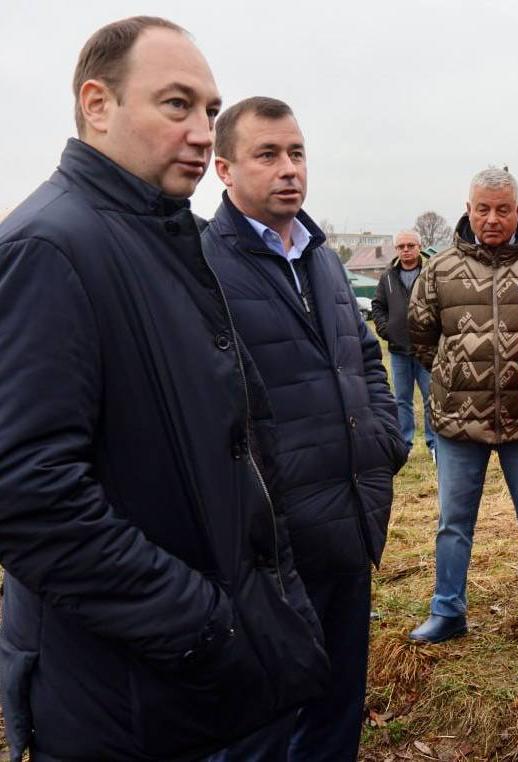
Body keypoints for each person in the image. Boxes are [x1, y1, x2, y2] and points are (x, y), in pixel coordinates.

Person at [0, 19, 327, 762]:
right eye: (176, 105)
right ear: (98, 105)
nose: (202, 132)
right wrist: (204, 626)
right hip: (133, 701)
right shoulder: (50, 248)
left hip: (210, 687)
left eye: (210, 111)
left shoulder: (162, 236)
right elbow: (28, 495)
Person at [202, 96, 406, 761]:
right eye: (268, 155)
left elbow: (364, 355)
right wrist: (265, 507)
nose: (289, 169)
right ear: (224, 169)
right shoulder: (205, 267)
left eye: (297, 153)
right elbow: (212, 407)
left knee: (337, 701)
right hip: (273, 543)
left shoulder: (320, 256)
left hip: (349, 520)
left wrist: (384, 440)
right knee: (266, 720)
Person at [406, 168, 518, 649]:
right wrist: (460, 374)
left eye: (502, 209)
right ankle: (447, 610)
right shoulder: (438, 269)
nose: (492, 218)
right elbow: (421, 337)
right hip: (457, 423)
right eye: (482, 208)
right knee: (452, 523)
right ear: (467, 209)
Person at [373, 229, 435, 459]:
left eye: (410, 245)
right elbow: (377, 306)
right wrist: (385, 329)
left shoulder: (430, 272)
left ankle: (434, 444)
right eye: (401, 247)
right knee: (401, 400)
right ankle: (404, 444)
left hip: (425, 349)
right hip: (399, 351)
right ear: (396, 250)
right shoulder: (387, 276)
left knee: (431, 398)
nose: (406, 250)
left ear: (420, 247)